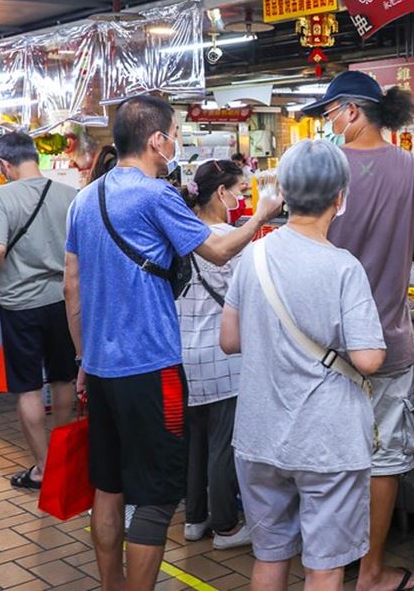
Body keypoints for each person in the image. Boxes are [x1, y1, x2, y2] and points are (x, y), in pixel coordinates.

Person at [64, 95, 283, 591]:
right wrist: (261, 214)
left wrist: (83, 355)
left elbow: (71, 286)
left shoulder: (85, 198)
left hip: (99, 368)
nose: (177, 142)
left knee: (109, 485)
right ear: (157, 141)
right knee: (158, 496)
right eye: (176, 133)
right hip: (153, 368)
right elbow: (220, 249)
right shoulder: (156, 195)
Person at [302, 71, 414, 591]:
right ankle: (371, 572)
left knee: (328, 458)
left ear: (353, 111)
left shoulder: (323, 170)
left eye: (330, 113)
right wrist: (398, 240)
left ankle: (326, 563)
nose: (329, 124)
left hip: (318, 349)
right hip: (385, 345)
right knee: (381, 461)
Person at [220, 139, 386, 591]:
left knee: (270, 556)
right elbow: (369, 359)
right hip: (325, 442)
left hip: (258, 435)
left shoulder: (251, 255)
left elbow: (229, 340)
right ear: (339, 197)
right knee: (325, 566)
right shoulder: (343, 267)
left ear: (285, 195)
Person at [0, 131, 79, 489]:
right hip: (62, 301)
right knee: (63, 379)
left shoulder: (2, 197)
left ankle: (43, 467)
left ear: (4, 164)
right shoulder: (70, 195)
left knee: (28, 389)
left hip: (20, 304)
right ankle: (65, 461)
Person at [176, 160, 252, 549]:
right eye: (239, 191)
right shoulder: (228, 239)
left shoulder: (182, 232)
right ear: (221, 193)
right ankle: (226, 526)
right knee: (224, 442)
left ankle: (194, 519)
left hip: (184, 351)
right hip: (221, 355)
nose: (240, 200)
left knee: (196, 440)